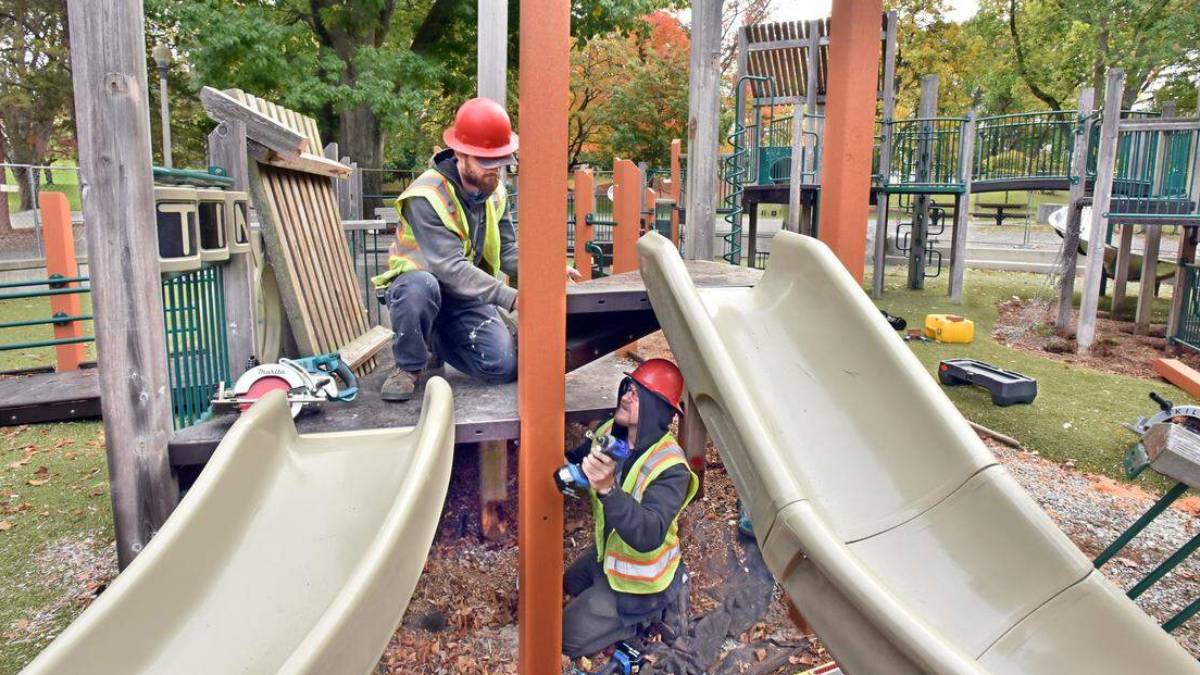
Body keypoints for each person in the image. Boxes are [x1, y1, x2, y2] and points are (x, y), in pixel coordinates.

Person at [372, 97, 579, 401]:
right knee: (421, 287)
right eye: (486, 161)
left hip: (462, 296)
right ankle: (409, 366)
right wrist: (513, 298)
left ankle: (436, 340)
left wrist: (547, 274)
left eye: (502, 161)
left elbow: (508, 251)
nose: (495, 170)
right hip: (419, 287)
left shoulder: (493, 193)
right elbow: (449, 268)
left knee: (503, 367)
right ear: (460, 153)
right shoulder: (426, 196)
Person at [561, 358, 699, 659]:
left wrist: (608, 489)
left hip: (639, 584)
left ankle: (636, 623)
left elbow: (648, 533)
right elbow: (574, 458)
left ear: (656, 408)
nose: (625, 396)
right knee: (567, 583)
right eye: (628, 387)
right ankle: (607, 610)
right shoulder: (611, 431)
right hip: (608, 557)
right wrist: (566, 470)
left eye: (636, 394)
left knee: (564, 640)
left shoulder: (670, 467)